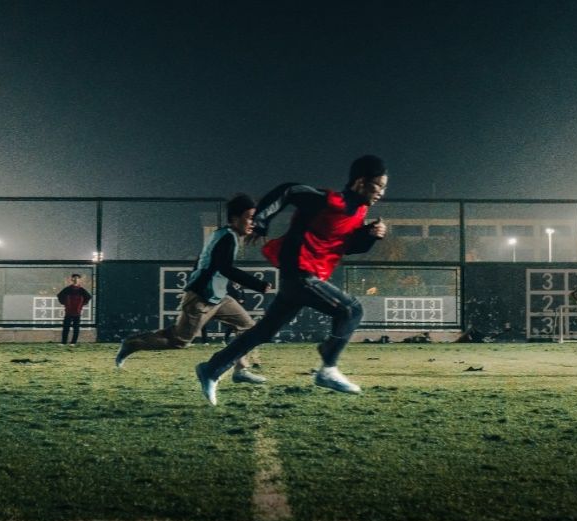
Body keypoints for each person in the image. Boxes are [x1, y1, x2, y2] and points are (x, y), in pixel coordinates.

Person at [195, 155, 389, 405]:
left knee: (264, 331)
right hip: (300, 273)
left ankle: (211, 369)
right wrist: (261, 220)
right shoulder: (329, 201)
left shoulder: (359, 211)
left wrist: (370, 235)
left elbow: (346, 246)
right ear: (361, 182)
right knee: (352, 310)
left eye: (384, 187)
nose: (381, 192)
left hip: (306, 277)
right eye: (378, 185)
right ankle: (328, 367)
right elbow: (289, 190)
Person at [116, 194, 272, 382]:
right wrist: (258, 284)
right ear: (235, 218)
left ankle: (240, 370)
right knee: (178, 340)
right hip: (201, 298)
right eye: (249, 218)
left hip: (218, 297)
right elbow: (225, 268)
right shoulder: (227, 239)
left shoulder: (223, 234)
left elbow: (205, 263)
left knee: (247, 327)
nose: (252, 223)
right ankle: (132, 344)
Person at [57, 273, 92, 345]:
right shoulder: (68, 289)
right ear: (72, 279)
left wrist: (81, 305)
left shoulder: (82, 290)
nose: (76, 279)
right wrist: (65, 303)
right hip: (68, 311)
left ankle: (73, 342)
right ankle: (64, 342)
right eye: (74, 278)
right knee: (66, 327)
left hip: (77, 311)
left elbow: (88, 297)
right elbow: (60, 295)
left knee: (76, 327)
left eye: (77, 278)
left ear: (80, 280)